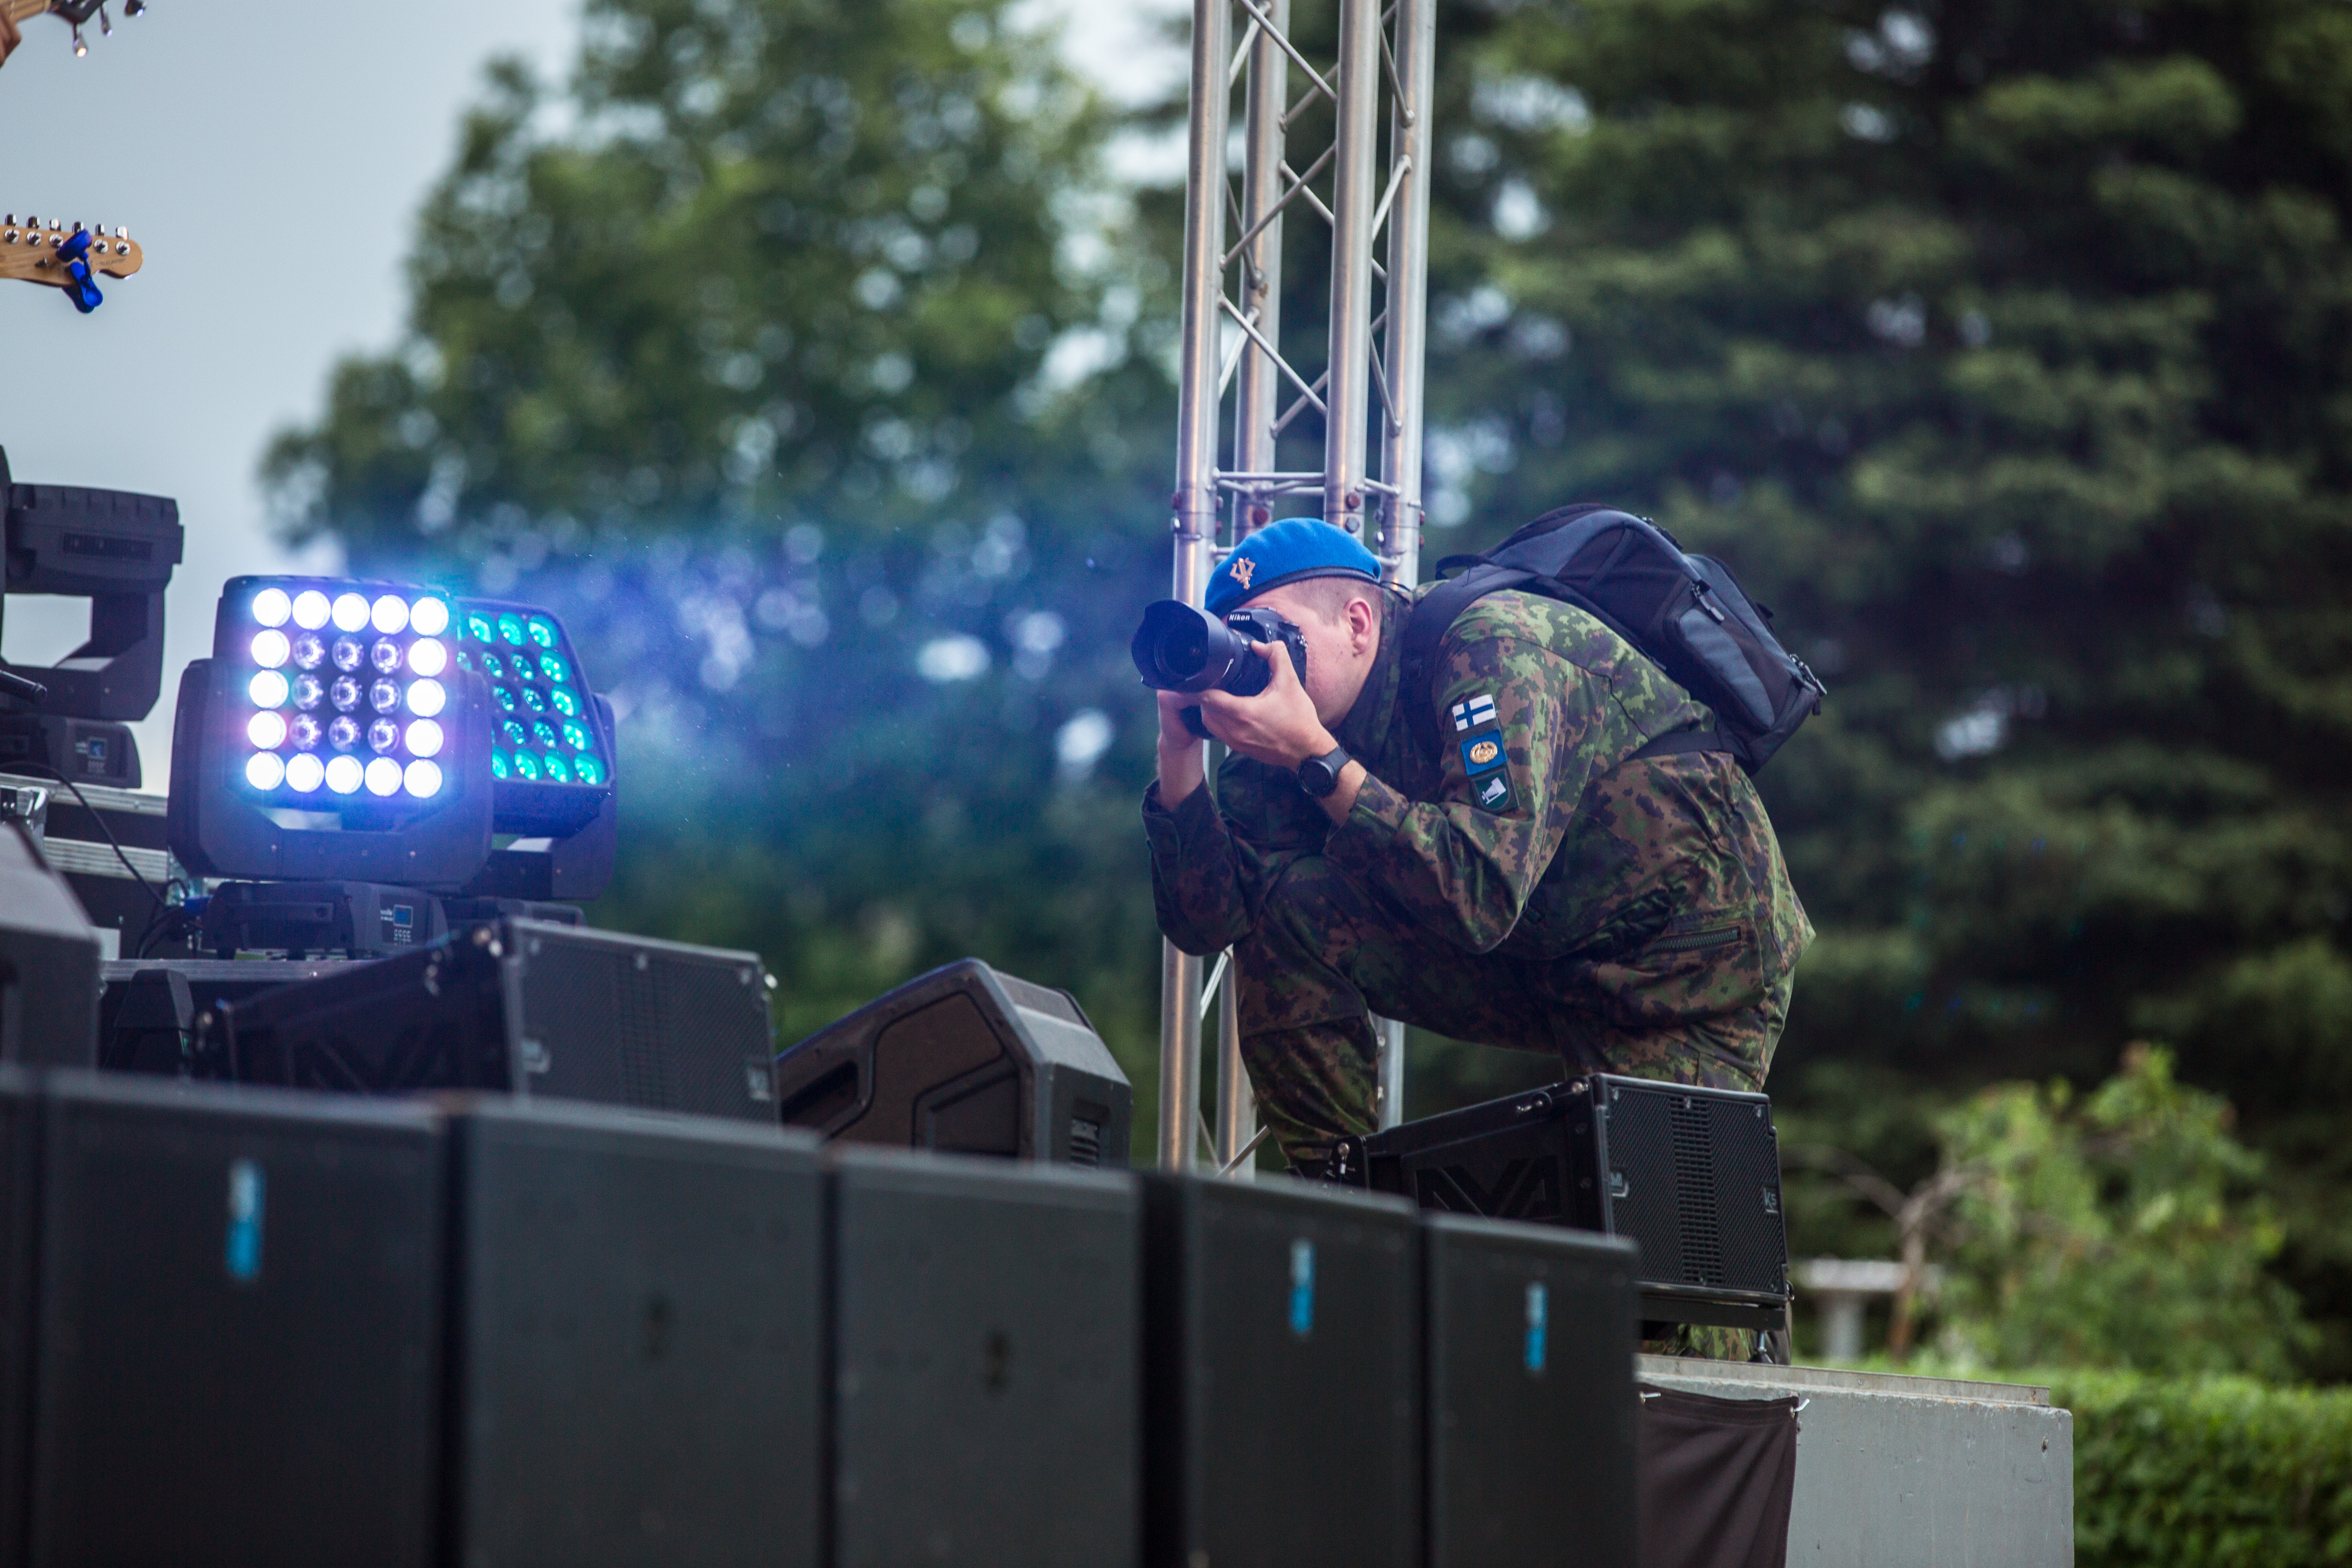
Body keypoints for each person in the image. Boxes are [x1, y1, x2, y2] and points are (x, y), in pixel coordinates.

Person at [1144, 516, 1813, 1174]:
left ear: (1357, 622)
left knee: (1657, 1242)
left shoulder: (1490, 647)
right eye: (1239, 644)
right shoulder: (1280, 725)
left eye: (1275, 638)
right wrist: (1179, 755)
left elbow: (1479, 895)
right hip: (1543, 945)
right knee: (1291, 911)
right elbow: (1213, 923)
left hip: (1684, 962)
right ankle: (1343, 1214)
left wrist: (1320, 760)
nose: (1261, 666)